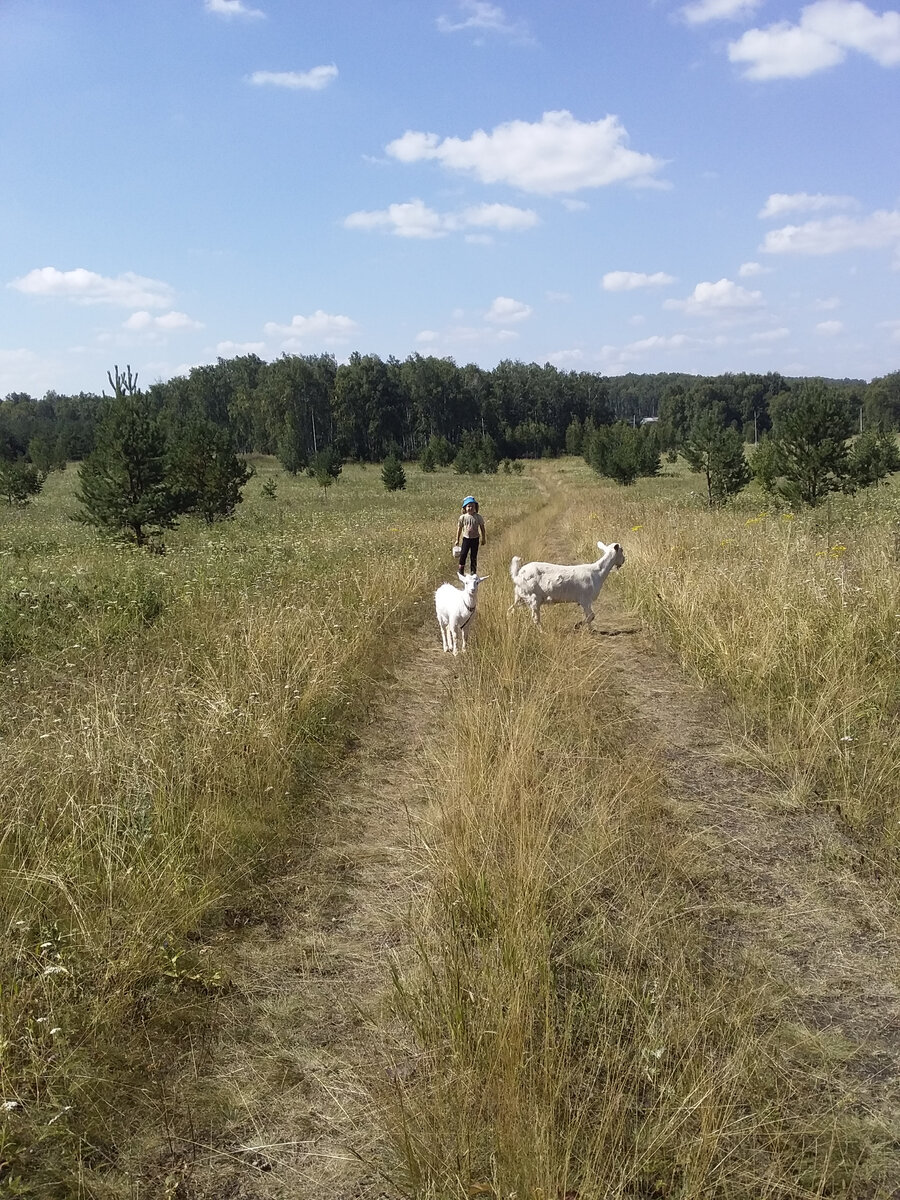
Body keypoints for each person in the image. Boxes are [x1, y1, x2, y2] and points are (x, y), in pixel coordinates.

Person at [455, 496, 486, 575]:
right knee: (463, 554)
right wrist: (457, 539)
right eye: (468, 506)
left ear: (475, 507)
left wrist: (483, 538)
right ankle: (461, 570)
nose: (470, 508)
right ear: (465, 508)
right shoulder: (463, 517)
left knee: (473, 556)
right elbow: (459, 528)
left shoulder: (478, 517)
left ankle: (473, 571)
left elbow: (482, 528)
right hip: (466, 539)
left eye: (472, 506)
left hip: (475, 539)